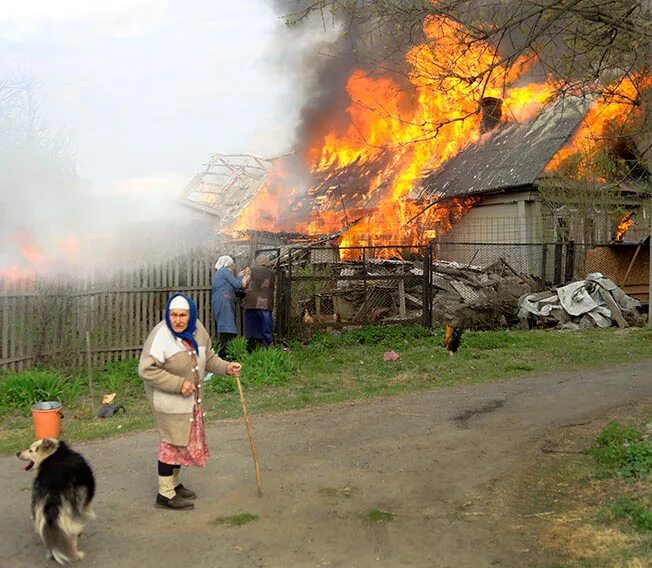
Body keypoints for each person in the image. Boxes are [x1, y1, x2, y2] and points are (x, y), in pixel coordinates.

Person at [138, 293, 242, 510]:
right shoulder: (161, 335)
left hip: (190, 402)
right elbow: (146, 369)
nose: (177, 320)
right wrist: (177, 384)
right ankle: (164, 494)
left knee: (181, 440)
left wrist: (225, 367)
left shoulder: (198, 330)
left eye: (182, 315)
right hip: (168, 402)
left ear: (190, 315)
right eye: (173, 315)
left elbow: (209, 358)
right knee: (171, 442)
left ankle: (174, 485)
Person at [211, 256, 249, 358]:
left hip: (223, 301)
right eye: (230, 264)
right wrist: (241, 277)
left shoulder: (221, 273)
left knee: (227, 328)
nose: (231, 267)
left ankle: (224, 354)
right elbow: (237, 284)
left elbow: (235, 290)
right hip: (223, 301)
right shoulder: (223, 271)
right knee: (226, 328)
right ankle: (222, 355)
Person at [243, 254, 276, 352]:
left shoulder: (250, 270)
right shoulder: (272, 273)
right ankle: (266, 347)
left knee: (251, 327)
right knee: (266, 327)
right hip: (265, 304)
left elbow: (244, 284)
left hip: (251, 303)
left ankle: (251, 348)